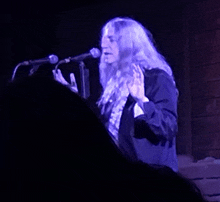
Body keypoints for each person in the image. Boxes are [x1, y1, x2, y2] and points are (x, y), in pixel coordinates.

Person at [53, 17, 179, 172]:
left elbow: (168, 127)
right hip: (118, 172)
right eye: (104, 39)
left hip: (150, 175)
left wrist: (142, 100)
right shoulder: (113, 84)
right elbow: (101, 127)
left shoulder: (156, 78)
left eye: (111, 40)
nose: (104, 45)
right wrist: (74, 97)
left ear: (129, 43)